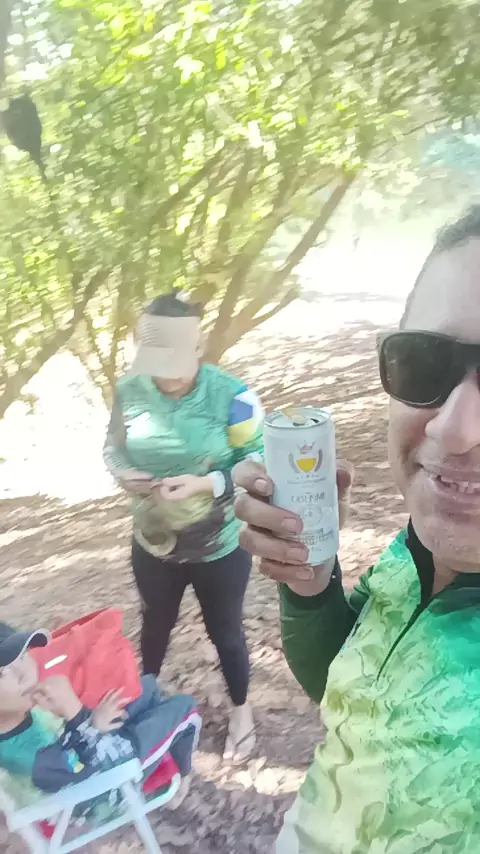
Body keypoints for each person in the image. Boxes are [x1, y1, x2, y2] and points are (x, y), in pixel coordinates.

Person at [234, 205, 480, 853]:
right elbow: (348, 690)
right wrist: (311, 587)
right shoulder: (416, 548)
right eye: (424, 364)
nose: (454, 429)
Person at [103, 291, 263, 761]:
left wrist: (207, 484)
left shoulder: (233, 396)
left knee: (225, 631)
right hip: (153, 543)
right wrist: (121, 472)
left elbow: (257, 460)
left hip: (220, 545)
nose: (167, 373)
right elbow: (112, 446)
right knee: (154, 625)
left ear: (198, 347)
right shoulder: (129, 391)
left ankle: (242, 711)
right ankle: (142, 704)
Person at [0, 621, 198, 822]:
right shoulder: (28, 758)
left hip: (90, 751)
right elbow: (93, 777)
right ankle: (181, 780)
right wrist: (76, 712)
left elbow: (66, 745)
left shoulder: (21, 711)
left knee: (147, 687)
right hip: (106, 791)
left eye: (22, 655)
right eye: (1, 673)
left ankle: (158, 763)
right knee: (185, 707)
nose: (23, 673)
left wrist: (92, 724)